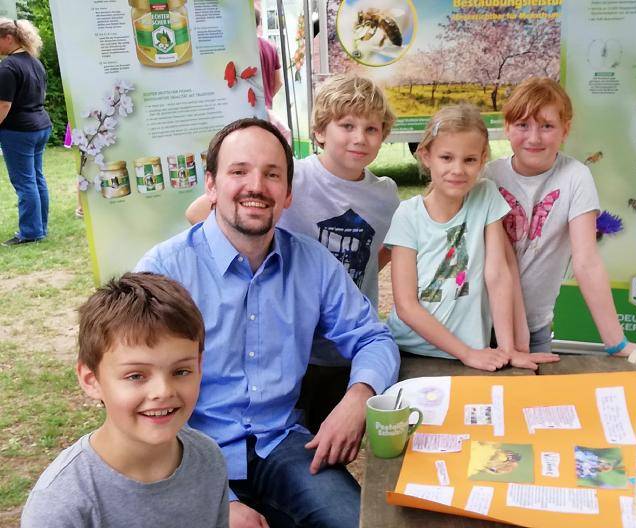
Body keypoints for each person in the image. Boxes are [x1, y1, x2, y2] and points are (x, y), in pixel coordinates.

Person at [138, 117, 399, 528]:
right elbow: (137, 400)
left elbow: (373, 337)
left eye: (272, 174)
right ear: (211, 185)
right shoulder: (165, 270)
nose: (256, 186)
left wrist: (356, 400)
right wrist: (215, 502)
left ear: (288, 194)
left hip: (281, 443)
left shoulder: (312, 263)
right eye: (239, 171)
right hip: (187, 455)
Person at [185, 73, 399, 431]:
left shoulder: (386, 195)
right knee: (283, 428)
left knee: (330, 435)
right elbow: (198, 212)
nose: (359, 137)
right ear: (319, 131)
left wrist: (345, 284)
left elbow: (386, 249)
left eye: (372, 129)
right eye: (346, 125)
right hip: (287, 344)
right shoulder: (289, 176)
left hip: (342, 344)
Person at [20, 272, 228, 527]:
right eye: (136, 375)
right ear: (90, 379)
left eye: (181, 371)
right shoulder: (60, 505)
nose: (163, 391)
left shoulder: (209, 459)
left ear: (200, 366)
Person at [385, 104, 559, 371]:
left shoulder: (486, 195)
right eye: (446, 158)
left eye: (469, 160)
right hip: (410, 349)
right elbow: (406, 305)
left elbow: (499, 274)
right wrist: (466, 353)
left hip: (471, 353)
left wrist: (508, 348)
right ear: (426, 156)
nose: (458, 170)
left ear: (482, 159)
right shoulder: (408, 215)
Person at [484, 77, 636, 357]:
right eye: (522, 125)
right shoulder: (488, 176)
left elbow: (587, 261)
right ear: (506, 127)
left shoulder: (575, 177)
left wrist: (616, 343)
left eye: (547, 126)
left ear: (565, 130)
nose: (534, 137)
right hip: (477, 327)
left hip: (534, 329)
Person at [0, 18, 52, 246]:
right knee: (36, 178)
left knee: (24, 182)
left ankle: (30, 232)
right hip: (40, 126)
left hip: (19, 131)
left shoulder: (8, 67)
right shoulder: (34, 62)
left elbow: (3, 105)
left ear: (8, 38)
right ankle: (40, 226)